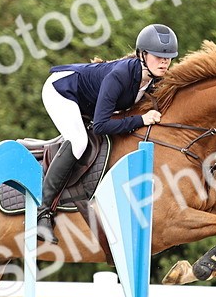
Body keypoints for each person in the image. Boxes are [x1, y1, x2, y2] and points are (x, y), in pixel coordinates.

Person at [36, 23, 179, 242]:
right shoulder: (120, 75)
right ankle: (43, 212)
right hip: (62, 90)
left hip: (85, 102)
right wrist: (141, 119)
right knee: (79, 141)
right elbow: (101, 125)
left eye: (168, 57)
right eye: (158, 56)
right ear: (143, 55)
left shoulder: (153, 79)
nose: (164, 62)